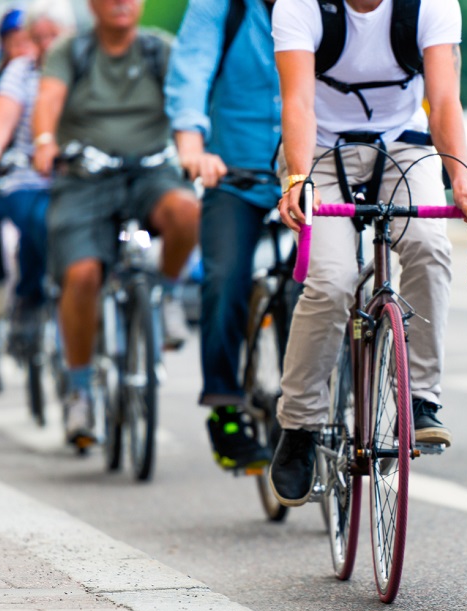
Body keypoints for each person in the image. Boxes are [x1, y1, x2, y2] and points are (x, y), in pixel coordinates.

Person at [265, 0, 467, 506]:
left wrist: (461, 181)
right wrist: (298, 180)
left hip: (403, 146)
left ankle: (421, 399)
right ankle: (301, 423)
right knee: (329, 282)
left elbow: (443, 99)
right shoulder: (300, 7)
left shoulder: (431, 6)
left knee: (429, 246)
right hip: (320, 152)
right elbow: (298, 102)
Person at [31, 0, 201, 449]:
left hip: (151, 171)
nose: (121, 2)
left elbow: (188, 98)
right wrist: (46, 141)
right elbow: (48, 99)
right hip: (86, 176)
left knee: (188, 211)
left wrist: (192, 146)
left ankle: (164, 293)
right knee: (82, 274)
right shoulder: (71, 51)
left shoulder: (158, 50)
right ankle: (80, 390)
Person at [166, 0, 282, 472]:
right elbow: (192, 66)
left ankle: (329, 402)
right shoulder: (221, 7)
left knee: (329, 277)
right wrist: (192, 144)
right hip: (233, 171)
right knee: (225, 278)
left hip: (312, 171)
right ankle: (225, 407)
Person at [0, 1, 73, 356]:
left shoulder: (86, 62)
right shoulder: (20, 70)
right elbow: (1, 120)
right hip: (29, 175)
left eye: (53, 36)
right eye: (39, 37)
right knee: (40, 221)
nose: (46, 44)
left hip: (82, 175)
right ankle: (30, 295)